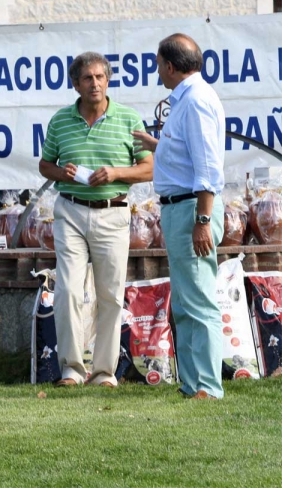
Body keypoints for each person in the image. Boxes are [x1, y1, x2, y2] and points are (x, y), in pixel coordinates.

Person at [39, 52, 153, 388]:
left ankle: (104, 373)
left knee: (111, 295)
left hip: (113, 211)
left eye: (101, 77)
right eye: (88, 78)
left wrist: (116, 173)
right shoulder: (60, 120)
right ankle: (72, 370)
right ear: (75, 84)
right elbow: (45, 166)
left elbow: (149, 167)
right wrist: (62, 172)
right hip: (70, 210)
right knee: (69, 291)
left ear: (109, 80)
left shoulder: (129, 118)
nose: (95, 83)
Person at [132, 33, 225, 400]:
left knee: (198, 300)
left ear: (170, 66)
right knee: (186, 301)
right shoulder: (189, 99)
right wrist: (160, 145)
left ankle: (206, 386)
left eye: (158, 65)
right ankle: (193, 383)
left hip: (191, 209)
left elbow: (207, 167)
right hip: (182, 207)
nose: (158, 72)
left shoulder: (197, 100)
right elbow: (190, 152)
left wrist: (203, 221)